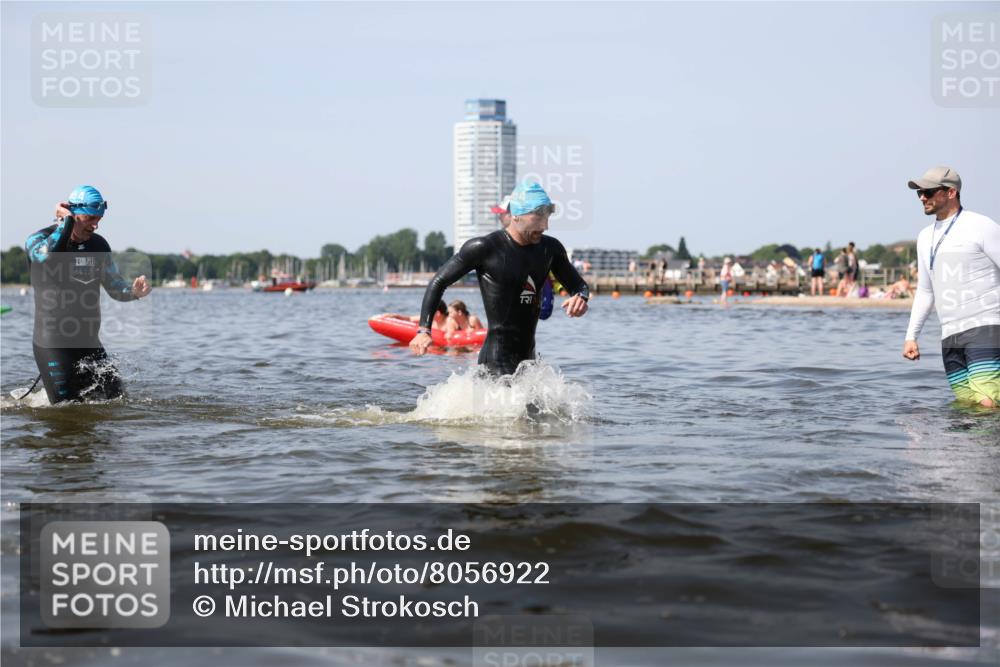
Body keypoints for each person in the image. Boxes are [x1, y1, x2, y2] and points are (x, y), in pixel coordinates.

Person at [409, 181, 589, 375]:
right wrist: (423, 330)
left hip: (528, 360)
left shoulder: (550, 249)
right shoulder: (485, 248)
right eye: (538, 218)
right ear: (516, 215)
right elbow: (438, 281)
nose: (545, 225)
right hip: (495, 360)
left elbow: (578, 285)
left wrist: (580, 297)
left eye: (547, 218)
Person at [25, 185, 151, 403]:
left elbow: (114, 286)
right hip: (53, 344)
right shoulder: (38, 241)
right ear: (72, 213)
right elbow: (46, 257)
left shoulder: (98, 245)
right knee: (67, 409)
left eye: (99, 219)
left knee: (117, 401)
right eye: (90, 218)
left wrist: (132, 292)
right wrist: (65, 224)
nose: (95, 225)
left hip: (89, 343)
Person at [902, 166, 1000, 408]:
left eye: (928, 191)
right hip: (950, 334)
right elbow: (926, 291)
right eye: (919, 193)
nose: (922, 197)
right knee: (968, 405)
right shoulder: (925, 237)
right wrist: (911, 336)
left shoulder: (981, 225)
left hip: (985, 326)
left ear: (951, 192)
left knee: (987, 402)